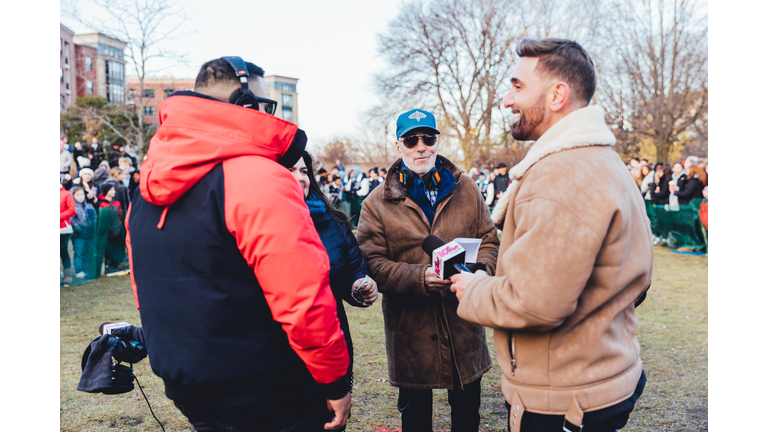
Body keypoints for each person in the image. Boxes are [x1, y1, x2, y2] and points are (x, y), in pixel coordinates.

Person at [126, 56, 351, 432]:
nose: (269, 115)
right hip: (267, 387)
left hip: (187, 381)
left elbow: (142, 287)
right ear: (244, 103)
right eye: (266, 106)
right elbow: (302, 296)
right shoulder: (258, 177)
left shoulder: (145, 185)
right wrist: (333, 378)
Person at [449, 38, 652, 432]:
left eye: (518, 86)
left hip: (563, 399)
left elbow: (535, 303)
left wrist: (474, 288)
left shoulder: (561, 174)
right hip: (599, 381)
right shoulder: (603, 159)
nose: (507, 100)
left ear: (557, 95)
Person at [356, 108, 500, 432]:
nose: (421, 146)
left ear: (437, 142)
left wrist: (480, 273)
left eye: (428, 138)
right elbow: (373, 263)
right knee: (416, 421)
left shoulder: (468, 189)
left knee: (468, 417)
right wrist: (420, 277)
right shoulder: (375, 203)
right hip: (411, 333)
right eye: (411, 140)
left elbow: (490, 242)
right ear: (398, 146)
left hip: (463, 324)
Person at [290, 151, 379, 402]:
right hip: (281, 352)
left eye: (304, 171)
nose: (300, 178)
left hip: (332, 343)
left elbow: (354, 267)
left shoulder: (334, 222)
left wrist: (360, 284)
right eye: (290, 170)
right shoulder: (254, 226)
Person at [70, 186, 98, 279]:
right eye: (78, 195)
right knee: (79, 252)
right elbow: (72, 219)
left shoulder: (89, 206)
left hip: (89, 233)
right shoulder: (73, 207)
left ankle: (87, 269)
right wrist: (78, 229)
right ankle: (79, 271)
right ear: (73, 196)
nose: (80, 197)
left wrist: (92, 227)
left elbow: (94, 217)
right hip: (78, 235)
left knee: (88, 252)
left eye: (82, 194)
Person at [60, 184, 76, 284]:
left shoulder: (65, 194)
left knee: (63, 252)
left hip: (63, 228)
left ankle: (68, 275)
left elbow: (72, 210)